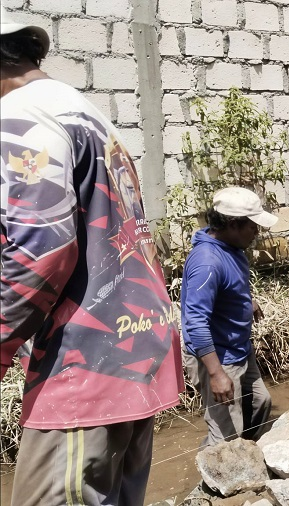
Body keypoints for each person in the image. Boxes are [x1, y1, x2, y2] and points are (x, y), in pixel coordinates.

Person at [0, 7, 184, 505]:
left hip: (86, 369)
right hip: (131, 352)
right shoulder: (84, 112)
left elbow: (40, 249)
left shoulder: (21, 118)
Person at [181, 187, 277, 446]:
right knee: (225, 436)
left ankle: (245, 455)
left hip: (239, 348)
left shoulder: (230, 248)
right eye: (253, 226)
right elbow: (196, 323)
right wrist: (216, 374)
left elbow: (230, 286)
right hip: (218, 357)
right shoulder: (207, 263)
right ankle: (216, 479)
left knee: (260, 402)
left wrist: (247, 302)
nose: (257, 232)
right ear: (233, 224)